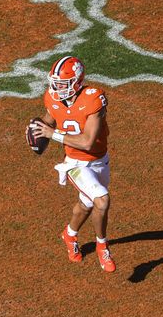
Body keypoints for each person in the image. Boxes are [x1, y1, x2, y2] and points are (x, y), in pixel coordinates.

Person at [30, 56, 115, 272]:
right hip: (75, 163)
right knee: (102, 201)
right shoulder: (52, 98)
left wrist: (53, 133)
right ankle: (102, 246)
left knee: (86, 204)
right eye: (54, 82)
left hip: (99, 160)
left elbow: (87, 141)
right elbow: (49, 120)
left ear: (77, 82)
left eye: (62, 83)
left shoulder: (93, 98)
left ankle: (69, 234)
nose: (56, 88)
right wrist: (36, 130)